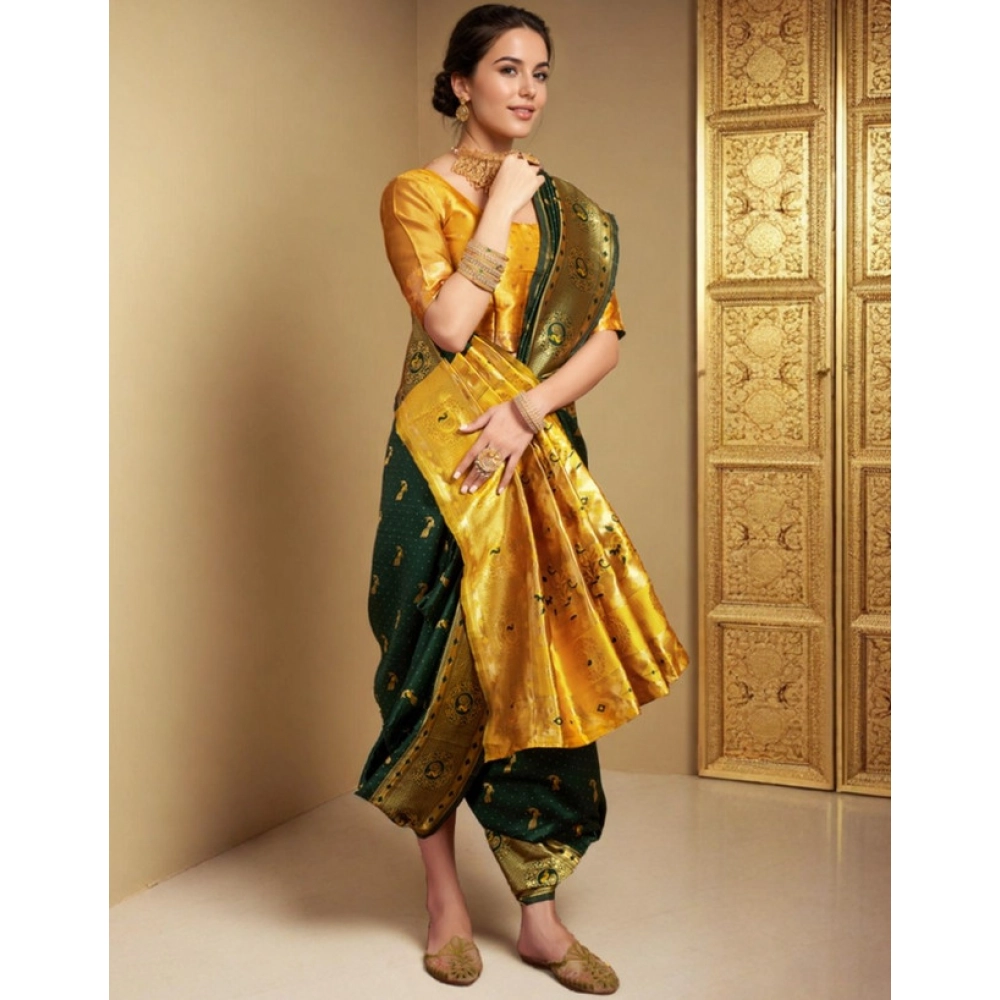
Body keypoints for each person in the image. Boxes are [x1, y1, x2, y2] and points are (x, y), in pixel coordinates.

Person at [356, 5, 688, 993]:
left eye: (541, 71)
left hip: (534, 455)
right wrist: (499, 204)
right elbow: (449, 326)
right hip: (442, 463)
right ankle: (446, 903)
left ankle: (539, 919)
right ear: (461, 83)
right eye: (507, 69)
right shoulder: (416, 194)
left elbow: (606, 339)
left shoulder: (572, 212)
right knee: (431, 662)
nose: (529, 89)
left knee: (540, 664)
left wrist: (528, 412)